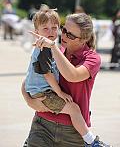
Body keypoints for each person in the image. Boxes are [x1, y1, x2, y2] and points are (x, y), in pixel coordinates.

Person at [22, 11, 112, 147]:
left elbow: (72, 75)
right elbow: (30, 78)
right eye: (64, 30)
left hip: (72, 133)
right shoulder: (54, 49)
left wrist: (53, 47)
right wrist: (30, 100)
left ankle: (92, 142)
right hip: (42, 125)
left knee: (73, 109)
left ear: (83, 39)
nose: (63, 35)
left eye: (70, 34)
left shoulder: (92, 58)